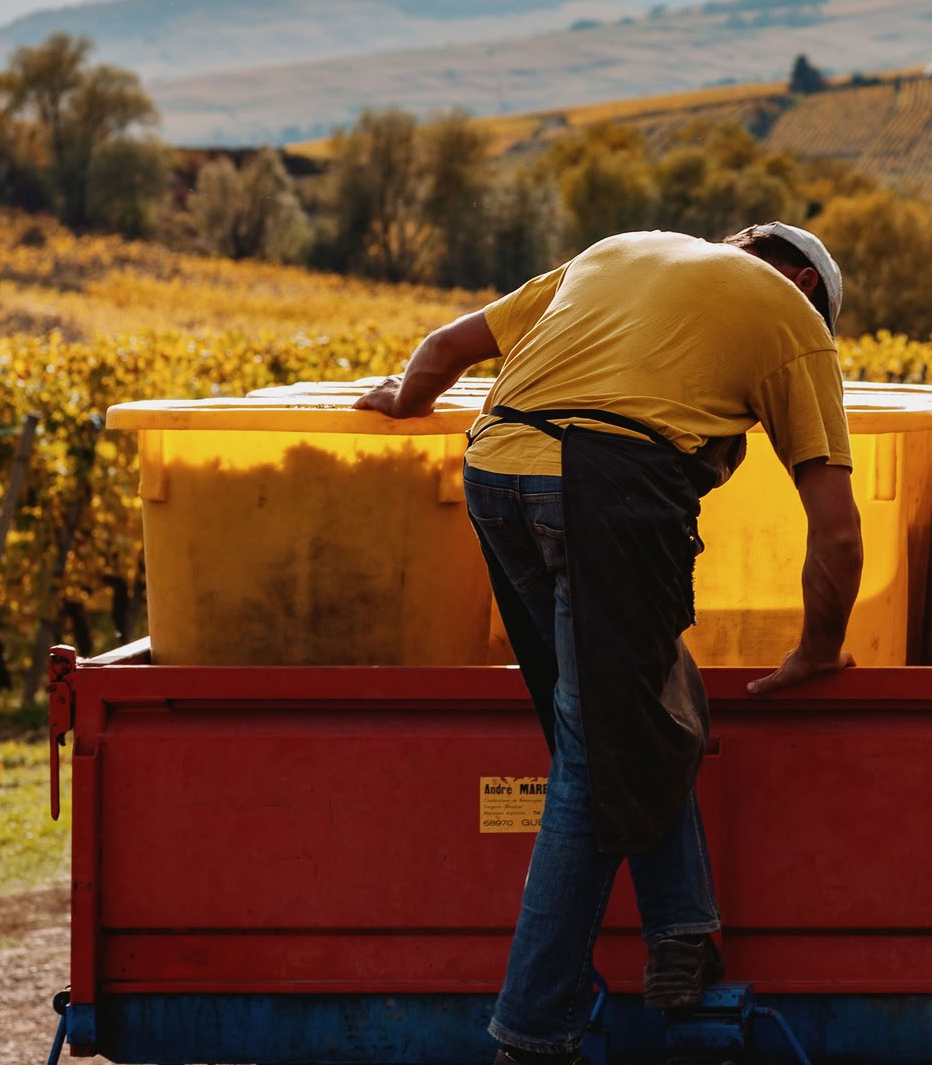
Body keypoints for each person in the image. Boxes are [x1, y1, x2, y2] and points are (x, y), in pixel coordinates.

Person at [354, 223, 864, 1065]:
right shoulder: (791, 317)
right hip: (606, 496)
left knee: (644, 707)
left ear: (732, 242)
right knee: (596, 759)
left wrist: (402, 402)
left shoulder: (624, 249)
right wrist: (819, 647)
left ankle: (682, 932)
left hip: (494, 472)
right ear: (809, 290)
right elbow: (837, 532)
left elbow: (445, 348)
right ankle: (533, 1033)